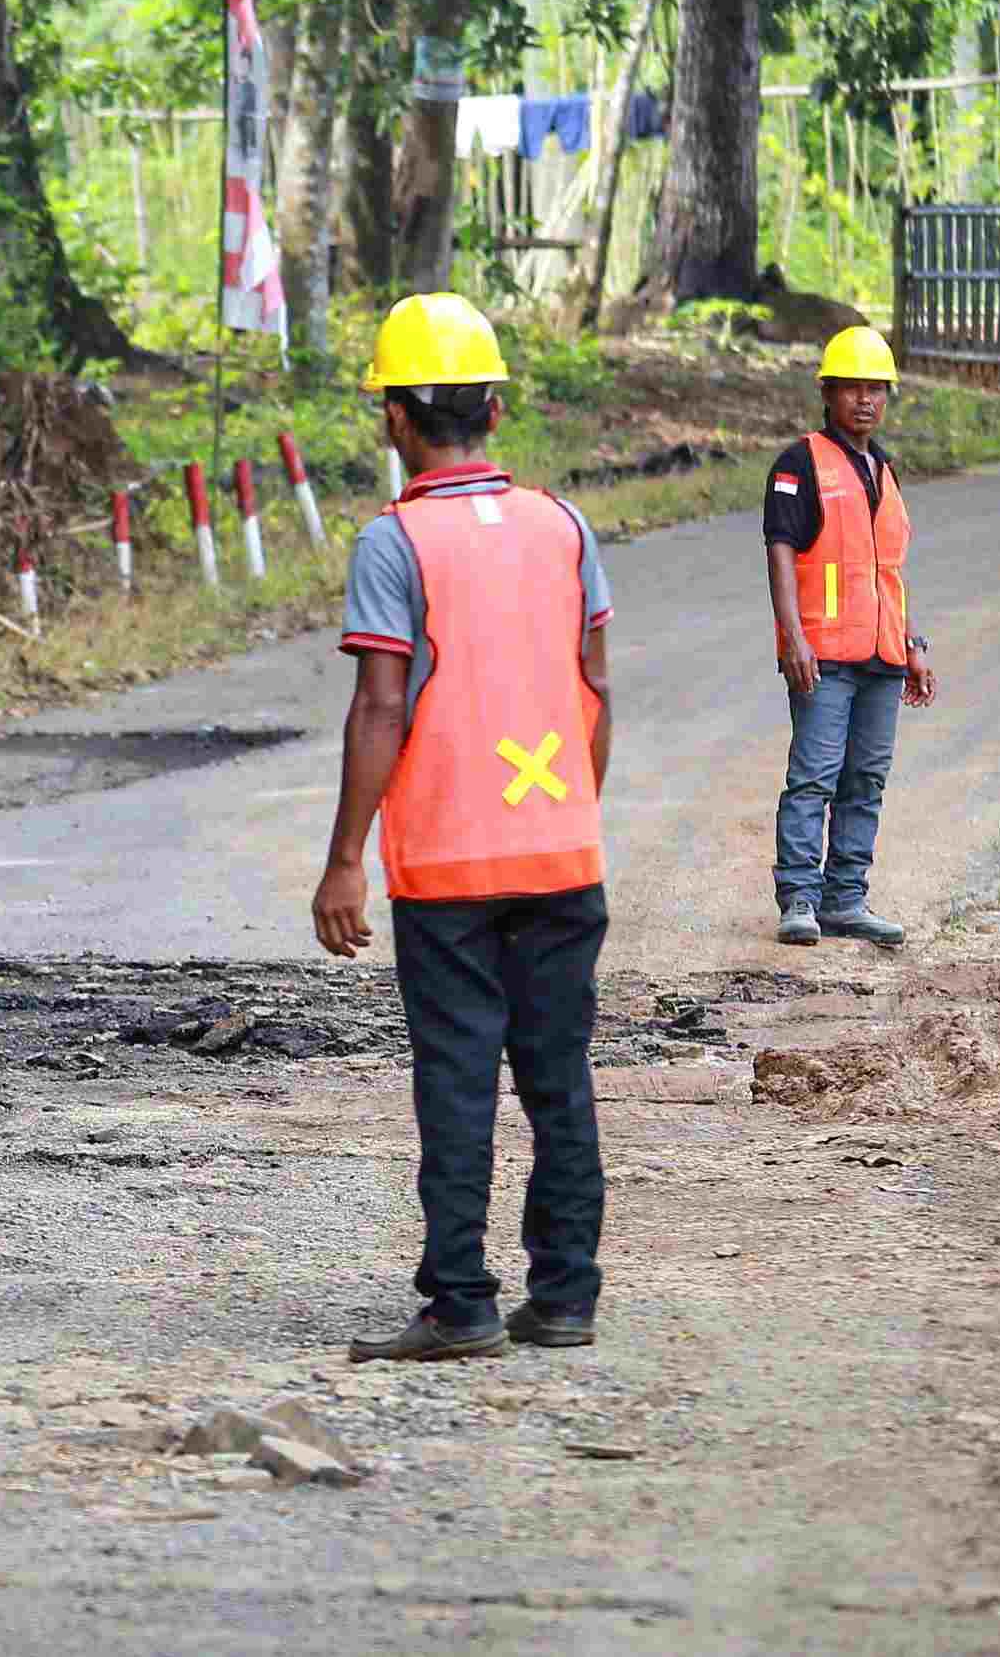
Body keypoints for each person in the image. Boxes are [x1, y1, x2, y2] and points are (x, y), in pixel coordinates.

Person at [312, 293, 616, 1363]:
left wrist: (344, 859)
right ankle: (565, 1297)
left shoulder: (392, 541)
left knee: (455, 1080)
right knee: (557, 1076)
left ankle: (460, 1304)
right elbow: (594, 688)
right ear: (494, 407)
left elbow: (379, 707)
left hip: (446, 870)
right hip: (561, 855)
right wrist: (572, 812)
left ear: (395, 418)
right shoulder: (563, 526)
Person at [764, 327, 937, 946]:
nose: (865, 400)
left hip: (882, 657)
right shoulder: (799, 463)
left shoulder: (883, 468)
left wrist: (912, 645)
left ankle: (845, 899)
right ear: (828, 393)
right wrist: (792, 637)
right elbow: (781, 551)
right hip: (824, 656)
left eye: (876, 389)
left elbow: (887, 571)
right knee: (814, 777)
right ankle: (800, 899)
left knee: (865, 781)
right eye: (852, 388)